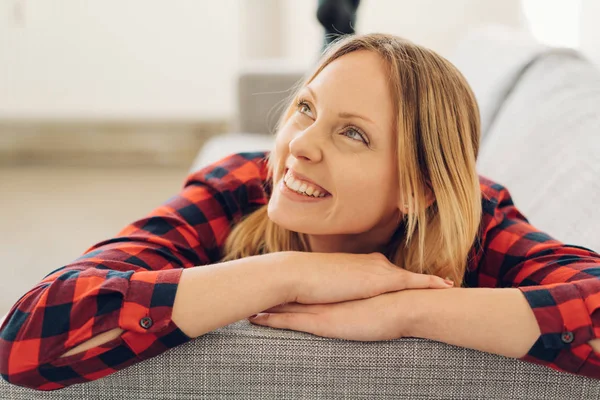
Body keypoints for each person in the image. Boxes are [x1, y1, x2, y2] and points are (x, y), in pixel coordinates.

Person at [1, 33, 600, 391]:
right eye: (307, 109)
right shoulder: (240, 185)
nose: (300, 146)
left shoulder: (479, 218)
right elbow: (28, 336)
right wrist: (290, 274)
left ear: (419, 190)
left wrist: (408, 310)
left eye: (353, 135)